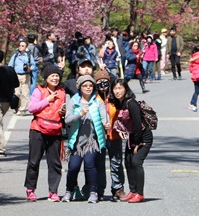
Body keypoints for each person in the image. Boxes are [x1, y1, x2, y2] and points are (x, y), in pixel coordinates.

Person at [62, 74, 110, 203]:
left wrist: (107, 124)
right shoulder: (74, 101)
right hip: (77, 142)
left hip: (92, 141)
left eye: (90, 86)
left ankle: (93, 192)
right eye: (85, 85)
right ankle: (69, 191)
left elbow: (105, 119)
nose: (88, 88)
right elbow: (68, 120)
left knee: (89, 165)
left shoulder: (97, 102)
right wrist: (80, 113)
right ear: (80, 87)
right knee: (73, 167)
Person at [25, 63, 67, 202]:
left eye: (57, 76)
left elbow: (63, 109)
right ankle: (30, 189)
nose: (55, 78)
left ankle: (53, 191)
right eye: (52, 76)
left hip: (55, 130)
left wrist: (63, 112)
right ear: (46, 77)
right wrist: (46, 100)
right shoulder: (39, 90)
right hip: (38, 129)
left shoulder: (62, 92)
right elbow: (32, 108)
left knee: (55, 162)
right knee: (34, 161)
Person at [112, 78, 152, 203]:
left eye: (120, 88)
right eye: (115, 88)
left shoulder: (131, 103)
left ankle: (139, 193)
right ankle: (133, 191)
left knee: (136, 162)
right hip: (132, 136)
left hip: (143, 137)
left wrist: (137, 143)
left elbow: (138, 124)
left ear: (126, 89)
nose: (117, 91)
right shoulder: (120, 102)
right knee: (128, 162)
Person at [95, 69, 126, 201]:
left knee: (116, 163)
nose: (103, 85)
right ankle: (99, 189)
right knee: (99, 164)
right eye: (99, 82)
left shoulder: (115, 97)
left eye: (105, 82)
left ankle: (118, 188)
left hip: (114, 135)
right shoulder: (93, 97)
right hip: (99, 136)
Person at [8, 39, 36, 115]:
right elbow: (10, 65)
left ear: (26, 47)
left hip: (25, 76)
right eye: (20, 45)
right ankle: (17, 106)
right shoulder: (15, 55)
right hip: (16, 75)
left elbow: (33, 65)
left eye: (22, 46)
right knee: (16, 93)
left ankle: (22, 109)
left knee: (25, 93)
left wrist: (30, 68)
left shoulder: (29, 56)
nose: (20, 47)